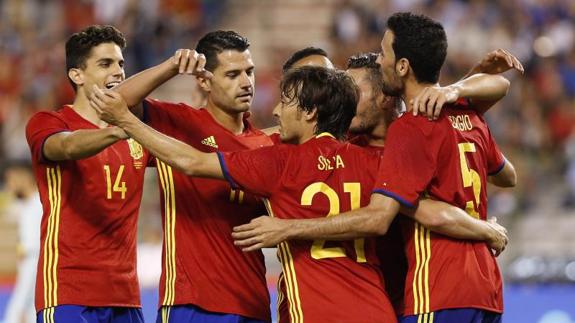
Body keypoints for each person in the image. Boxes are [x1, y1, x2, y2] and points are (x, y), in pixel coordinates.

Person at [231, 12, 516, 323]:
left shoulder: (409, 132)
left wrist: (454, 89)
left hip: (428, 292)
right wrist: (459, 89)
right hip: (399, 299)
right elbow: (505, 170)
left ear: (384, 95)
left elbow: (412, 212)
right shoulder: (350, 143)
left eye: (354, 89)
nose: (342, 98)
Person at [101, 30, 273, 323]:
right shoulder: (179, 123)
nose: (246, 83)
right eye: (232, 75)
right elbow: (114, 103)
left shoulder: (267, 145)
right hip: (190, 304)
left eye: (250, 72)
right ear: (204, 81)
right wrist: (171, 66)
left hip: (252, 304)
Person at [25, 25, 149, 322]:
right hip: (68, 290)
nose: (118, 72)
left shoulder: (138, 132)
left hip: (126, 295)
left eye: (121, 63)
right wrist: (120, 130)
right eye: (105, 64)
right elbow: (65, 147)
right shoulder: (49, 122)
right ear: (76, 75)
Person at [1, 161, 42, 323]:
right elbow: (8, 213)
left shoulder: (40, 201)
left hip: (36, 257)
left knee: (19, 302)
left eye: (11, 179)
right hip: (27, 258)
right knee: (31, 306)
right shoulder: (23, 204)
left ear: (23, 178)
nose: (9, 184)